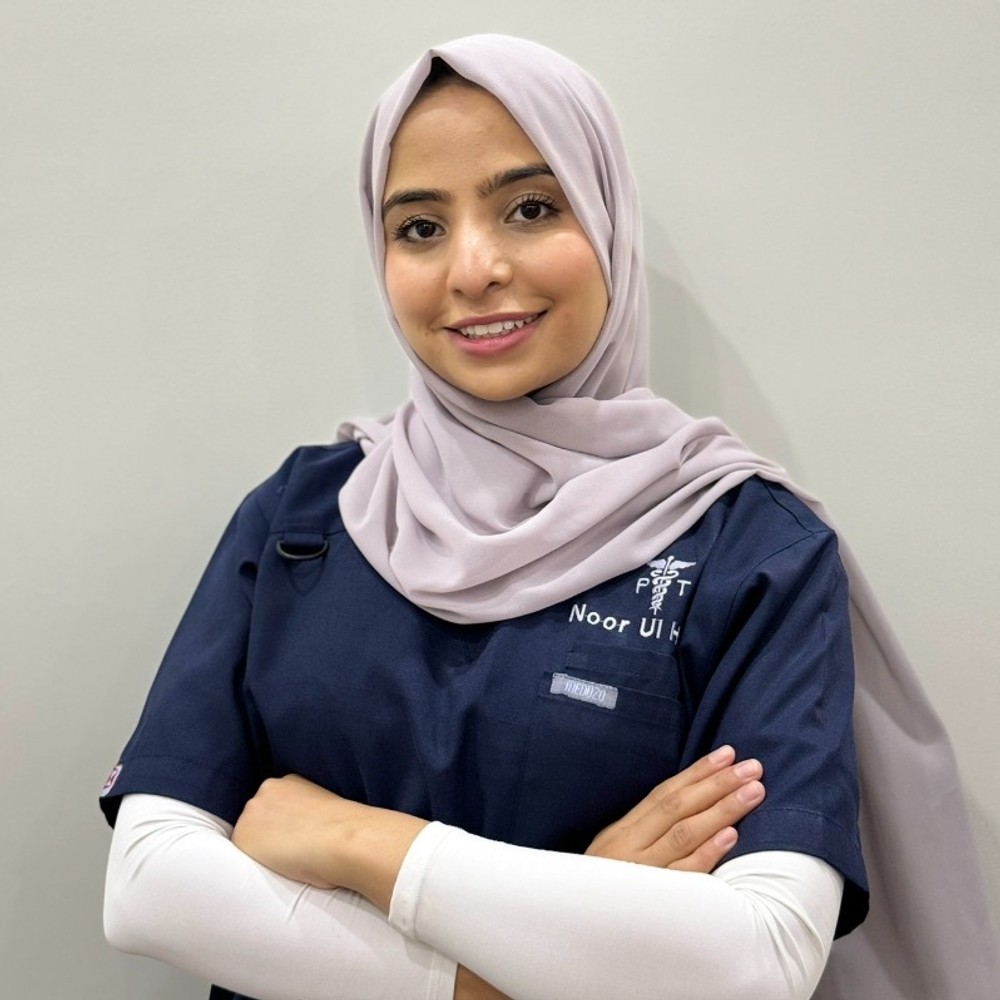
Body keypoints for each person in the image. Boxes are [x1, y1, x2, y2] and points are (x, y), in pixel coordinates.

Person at [100, 35, 997, 1000]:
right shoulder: (305, 515)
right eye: (419, 227)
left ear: (607, 219)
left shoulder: (749, 549)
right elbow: (151, 890)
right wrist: (535, 959)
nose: (473, 268)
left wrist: (358, 839)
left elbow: (760, 955)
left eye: (530, 208)